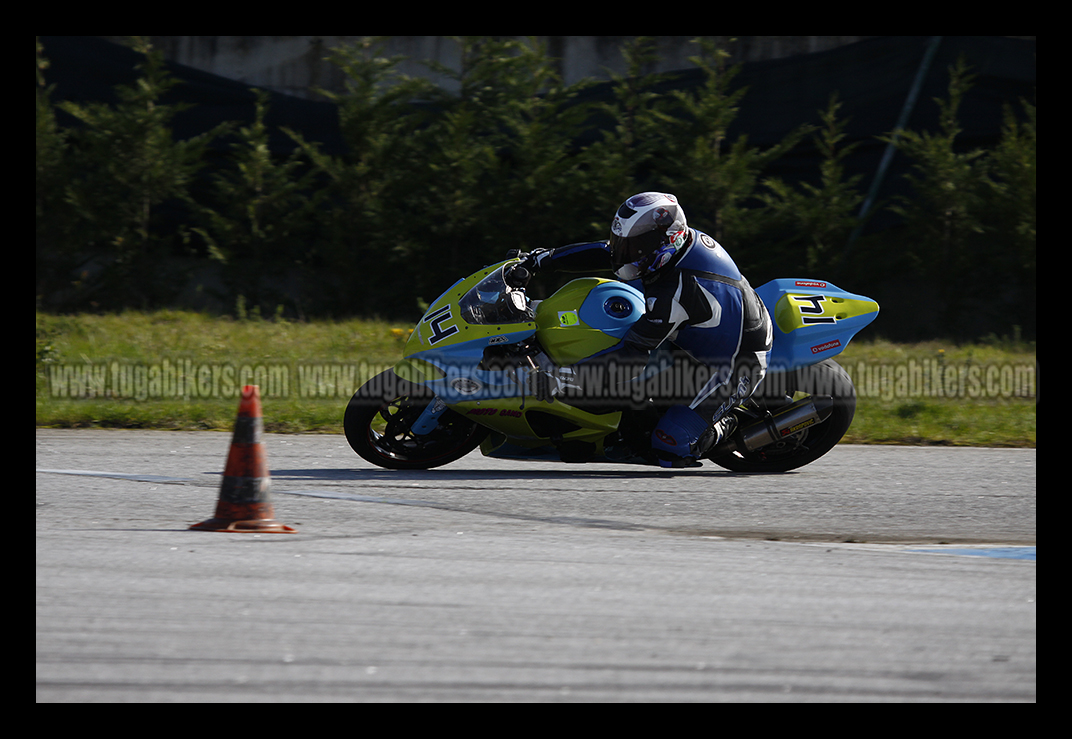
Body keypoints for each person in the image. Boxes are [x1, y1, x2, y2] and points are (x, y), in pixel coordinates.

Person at [519, 192, 773, 468]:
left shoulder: (673, 293)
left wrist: (560, 379)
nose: (625, 253)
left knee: (669, 445)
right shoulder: (674, 245)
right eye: (624, 243)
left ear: (666, 240)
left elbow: (632, 358)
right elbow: (608, 251)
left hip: (738, 362)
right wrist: (541, 260)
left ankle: (727, 424)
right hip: (701, 331)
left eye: (635, 247)